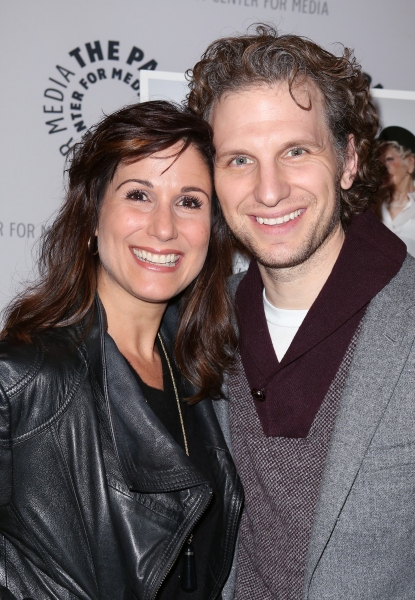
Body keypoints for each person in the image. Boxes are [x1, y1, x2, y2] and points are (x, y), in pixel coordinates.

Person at [187, 25, 415, 600]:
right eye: (239, 159)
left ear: (348, 159)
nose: (269, 190)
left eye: (296, 151)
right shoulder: (199, 321)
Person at [0, 101, 243, 599]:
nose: (163, 227)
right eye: (138, 194)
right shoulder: (21, 379)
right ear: (92, 215)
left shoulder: (210, 381)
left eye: (190, 201)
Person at [378, 125, 415, 256]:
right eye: (380, 161)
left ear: (410, 163)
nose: (383, 167)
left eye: (389, 159)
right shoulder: (371, 206)